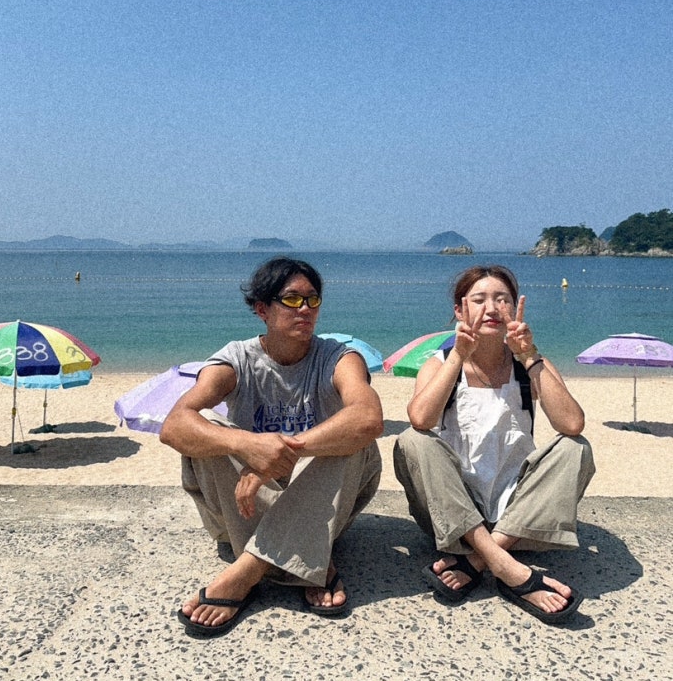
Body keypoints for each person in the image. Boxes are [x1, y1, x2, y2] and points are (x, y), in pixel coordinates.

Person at [160, 256, 383, 637]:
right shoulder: (236, 359)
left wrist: (277, 456)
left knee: (353, 440)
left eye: (313, 300)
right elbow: (173, 426)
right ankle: (308, 557)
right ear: (262, 309)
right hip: (249, 507)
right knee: (206, 425)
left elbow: (369, 418)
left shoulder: (338, 358)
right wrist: (247, 445)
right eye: (292, 299)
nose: (305, 309)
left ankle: (248, 570)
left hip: (319, 501)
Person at [393, 265, 594, 624]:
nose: (491, 308)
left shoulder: (530, 364)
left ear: (515, 308)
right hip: (453, 516)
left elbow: (572, 424)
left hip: (518, 517)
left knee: (575, 448)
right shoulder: (440, 364)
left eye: (502, 299)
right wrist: (458, 355)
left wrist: (529, 355)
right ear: (460, 311)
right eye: (479, 300)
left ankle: (481, 559)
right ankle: (507, 567)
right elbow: (420, 419)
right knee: (413, 441)